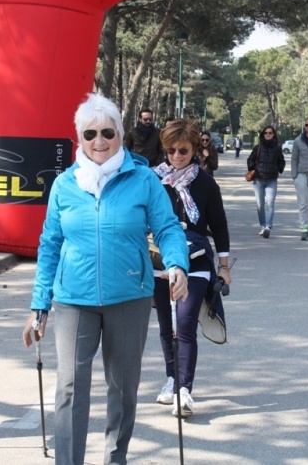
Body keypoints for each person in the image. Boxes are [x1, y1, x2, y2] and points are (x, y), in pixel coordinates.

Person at [22, 94, 189, 465]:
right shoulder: (65, 185)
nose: (99, 141)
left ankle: (116, 459)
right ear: (80, 138)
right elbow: (50, 244)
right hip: (73, 299)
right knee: (69, 386)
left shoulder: (143, 179)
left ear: (120, 134)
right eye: (90, 133)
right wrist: (39, 304)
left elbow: (167, 227)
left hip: (129, 296)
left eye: (107, 133)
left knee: (123, 388)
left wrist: (177, 263)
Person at [152, 118, 231, 417]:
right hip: (160, 260)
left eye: (183, 151)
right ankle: (171, 379)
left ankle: (184, 390)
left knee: (184, 323)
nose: (176, 156)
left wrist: (224, 266)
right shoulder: (152, 180)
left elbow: (219, 225)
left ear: (194, 149)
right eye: (170, 150)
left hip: (196, 261)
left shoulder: (206, 183)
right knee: (166, 326)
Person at [246, 125, 285, 238]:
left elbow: (281, 162)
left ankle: (268, 226)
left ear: (274, 135)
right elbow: (250, 159)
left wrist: (278, 168)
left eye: (270, 133)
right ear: (263, 135)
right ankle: (263, 225)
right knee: (260, 204)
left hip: (271, 180)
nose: (268, 134)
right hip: (258, 180)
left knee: (270, 202)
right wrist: (255, 168)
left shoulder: (277, 149)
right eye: (266, 133)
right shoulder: (258, 147)